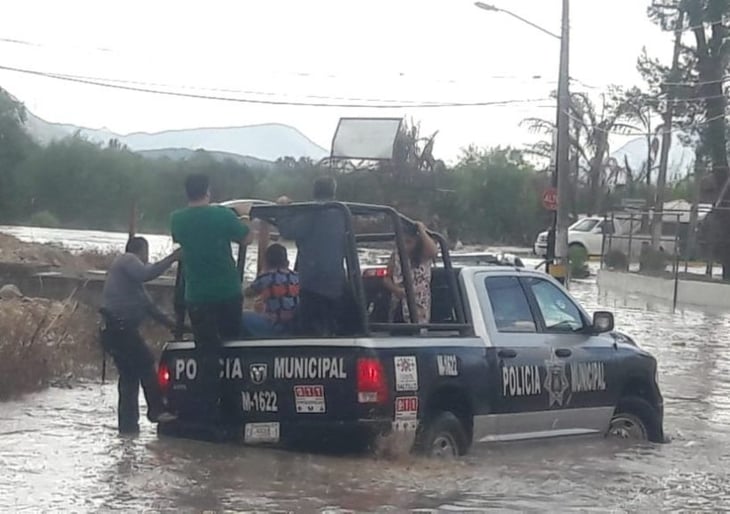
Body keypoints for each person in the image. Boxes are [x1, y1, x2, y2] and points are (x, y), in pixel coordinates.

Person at [170, 173, 252, 420]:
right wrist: (244, 215)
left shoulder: (177, 220)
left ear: (187, 192)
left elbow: (188, 240)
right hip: (227, 292)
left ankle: (206, 409)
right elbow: (245, 237)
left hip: (197, 296)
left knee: (207, 353)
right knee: (232, 348)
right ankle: (232, 406)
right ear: (207, 191)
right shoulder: (221, 215)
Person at [100, 237, 180, 434]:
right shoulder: (127, 259)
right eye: (146, 254)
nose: (147, 258)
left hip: (112, 331)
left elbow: (151, 309)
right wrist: (173, 258)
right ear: (141, 251)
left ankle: (127, 430)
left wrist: (177, 327)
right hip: (119, 329)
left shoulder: (132, 286)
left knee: (129, 377)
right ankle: (156, 410)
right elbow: (146, 273)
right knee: (146, 363)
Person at [276, 177, 347, 336]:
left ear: (314, 191)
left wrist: (282, 210)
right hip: (336, 281)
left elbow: (288, 231)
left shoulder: (312, 211)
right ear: (333, 192)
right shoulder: (341, 213)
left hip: (312, 281)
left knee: (309, 330)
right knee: (329, 325)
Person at [383, 221, 438, 324]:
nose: (404, 245)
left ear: (417, 242)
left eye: (409, 242)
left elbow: (434, 251)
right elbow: (386, 277)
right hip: (398, 303)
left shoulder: (423, 256)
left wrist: (422, 230)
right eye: (401, 242)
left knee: (417, 330)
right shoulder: (396, 255)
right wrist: (396, 289)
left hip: (418, 306)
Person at [242, 243, 300, 337]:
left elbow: (248, 294)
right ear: (287, 262)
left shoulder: (265, 277)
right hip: (294, 326)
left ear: (266, 262)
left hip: (274, 326)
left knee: (243, 317)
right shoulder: (297, 277)